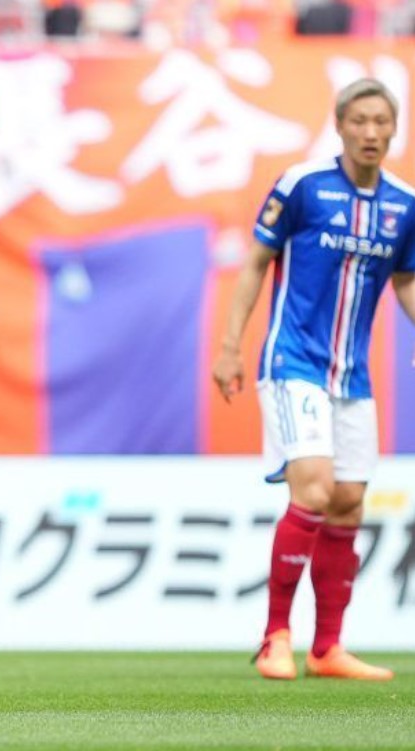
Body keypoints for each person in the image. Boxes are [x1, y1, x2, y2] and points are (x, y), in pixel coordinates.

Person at [212, 78, 415, 682]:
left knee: (349, 502)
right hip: (293, 363)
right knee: (316, 491)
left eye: (382, 121)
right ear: (340, 124)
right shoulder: (302, 185)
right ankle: (275, 637)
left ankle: (327, 648)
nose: (371, 132)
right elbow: (255, 262)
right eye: (360, 120)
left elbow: (405, 280)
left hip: (352, 376)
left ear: (395, 129)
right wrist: (229, 347)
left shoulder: (404, 204)